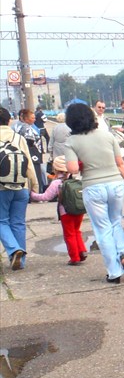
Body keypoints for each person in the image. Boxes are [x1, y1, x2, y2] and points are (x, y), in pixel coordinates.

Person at [64, 102, 124, 283]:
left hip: (93, 187)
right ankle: (123, 254)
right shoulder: (107, 135)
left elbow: (72, 168)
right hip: (115, 184)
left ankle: (114, 271)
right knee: (115, 221)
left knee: (102, 229)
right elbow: (121, 163)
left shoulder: (71, 141)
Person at [29, 155, 88, 265]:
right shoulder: (75, 180)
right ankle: (81, 250)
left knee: (69, 234)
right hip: (79, 210)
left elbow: (46, 197)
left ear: (56, 169)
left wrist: (32, 194)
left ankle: (74, 257)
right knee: (77, 231)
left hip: (66, 212)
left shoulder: (56, 183)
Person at [0, 106, 38, 270]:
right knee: (18, 222)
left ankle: (14, 249)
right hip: (21, 185)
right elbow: (28, 163)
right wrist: (34, 185)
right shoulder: (18, 137)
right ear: (9, 121)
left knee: (1, 221)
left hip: (1, 188)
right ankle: (20, 261)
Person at [14, 107, 47, 191]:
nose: (34, 119)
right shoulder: (27, 129)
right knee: (35, 173)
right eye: (32, 118)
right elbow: (30, 142)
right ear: (26, 119)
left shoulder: (24, 127)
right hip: (33, 153)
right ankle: (36, 192)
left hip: (33, 153)